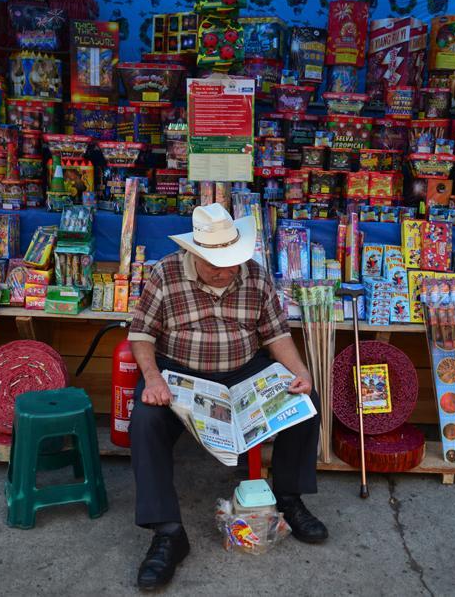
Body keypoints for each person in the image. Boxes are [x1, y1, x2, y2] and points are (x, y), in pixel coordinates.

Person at [128, 203, 327, 590]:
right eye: (215, 265)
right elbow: (141, 335)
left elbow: (276, 335)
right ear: (195, 254)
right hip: (179, 372)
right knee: (146, 420)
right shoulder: (165, 273)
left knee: (305, 403)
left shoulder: (255, 275)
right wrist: (152, 379)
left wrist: (302, 373)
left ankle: (288, 499)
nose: (225, 272)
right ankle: (168, 532)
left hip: (242, 370)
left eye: (231, 264)